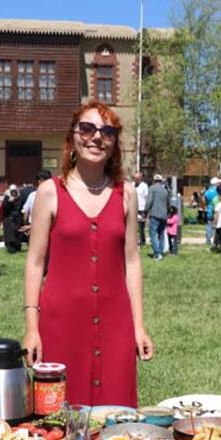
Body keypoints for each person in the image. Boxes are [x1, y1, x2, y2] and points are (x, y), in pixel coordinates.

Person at [23, 100, 153, 407]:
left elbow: (132, 261)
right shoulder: (50, 192)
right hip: (60, 323)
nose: (96, 137)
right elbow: (34, 263)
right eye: (87, 128)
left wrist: (138, 326)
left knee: (116, 419)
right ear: (72, 136)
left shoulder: (127, 194)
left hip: (115, 323)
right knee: (57, 416)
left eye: (107, 132)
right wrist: (31, 329)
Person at [145, 174, 170, 260]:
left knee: (153, 234)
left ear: (154, 180)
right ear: (161, 181)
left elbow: (149, 201)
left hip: (155, 214)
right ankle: (161, 252)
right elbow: (168, 204)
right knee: (161, 234)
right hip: (164, 215)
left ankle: (157, 253)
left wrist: (145, 210)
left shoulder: (152, 188)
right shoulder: (165, 190)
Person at [2, 184, 24, 254]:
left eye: (15, 191)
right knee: (10, 235)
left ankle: (18, 247)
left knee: (17, 234)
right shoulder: (7, 198)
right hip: (9, 219)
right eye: (12, 191)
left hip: (17, 219)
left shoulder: (19, 198)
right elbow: (4, 208)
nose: (14, 193)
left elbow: (21, 207)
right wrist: (9, 202)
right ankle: (11, 249)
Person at [134, 171, 149, 247]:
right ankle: (134, 241)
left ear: (141, 178)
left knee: (141, 226)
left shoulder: (144, 186)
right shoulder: (132, 185)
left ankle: (142, 240)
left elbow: (146, 197)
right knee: (133, 226)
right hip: (133, 208)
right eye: (135, 178)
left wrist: (147, 210)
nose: (136, 179)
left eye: (138, 178)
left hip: (142, 208)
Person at [203, 178, 219, 247]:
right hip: (217, 209)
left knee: (208, 225)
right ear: (216, 183)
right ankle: (215, 240)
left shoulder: (207, 192)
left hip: (209, 209)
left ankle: (208, 240)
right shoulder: (218, 191)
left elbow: (204, 201)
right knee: (216, 226)